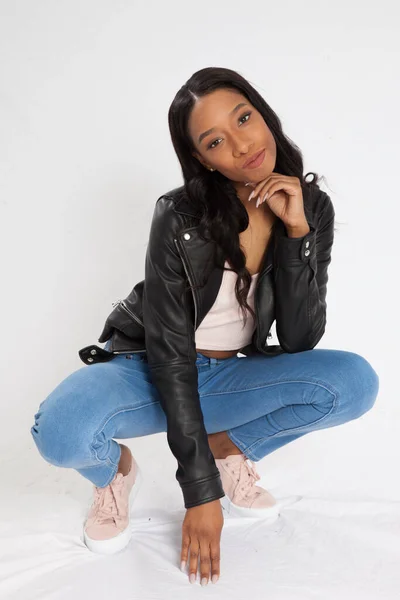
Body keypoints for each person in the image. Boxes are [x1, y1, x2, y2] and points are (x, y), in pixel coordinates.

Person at [30, 66, 379, 585]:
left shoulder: (311, 207)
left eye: (245, 118)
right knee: (58, 432)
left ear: (263, 113)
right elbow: (170, 355)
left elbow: (302, 338)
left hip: (227, 376)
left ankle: (228, 447)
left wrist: (297, 231)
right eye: (217, 140)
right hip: (148, 367)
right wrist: (201, 493)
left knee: (355, 382)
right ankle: (114, 475)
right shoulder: (178, 214)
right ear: (201, 158)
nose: (242, 145)